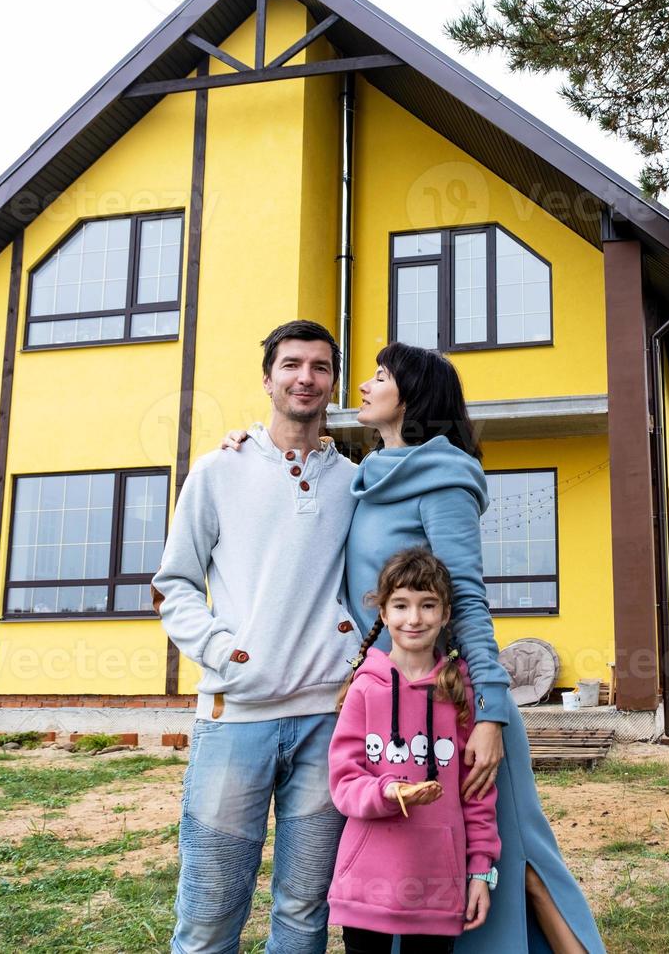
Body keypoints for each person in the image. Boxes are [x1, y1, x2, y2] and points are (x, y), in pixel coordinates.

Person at [225, 340, 603, 952]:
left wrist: (492, 715)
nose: (365, 385)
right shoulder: (369, 477)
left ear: (414, 395)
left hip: (455, 704)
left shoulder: (442, 477)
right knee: (416, 854)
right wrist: (244, 448)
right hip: (392, 698)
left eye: (380, 376)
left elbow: (469, 601)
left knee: (516, 863)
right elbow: (298, 468)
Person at [154, 320, 360, 954]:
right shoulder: (219, 470)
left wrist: (352, 651)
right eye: (292, 364)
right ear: (267, 378)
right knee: (212, 908)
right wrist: (223, 652)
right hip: (234, 716)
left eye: (320, 367)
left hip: (326, 719)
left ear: (333, 381)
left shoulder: (354, 481)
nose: (306, 377)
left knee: (304, 913)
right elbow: (173, 584)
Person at [326, 547, 499, 954]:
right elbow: (343, 780)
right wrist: (389, 792)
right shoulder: (365, 688)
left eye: (427, 605)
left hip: (438, 886)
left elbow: (478, 795)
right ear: (384, 614)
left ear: (445, 615)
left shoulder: (461, 693)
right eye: (401, 605)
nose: (414, 618)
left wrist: (480, 873)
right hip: (366, 886)